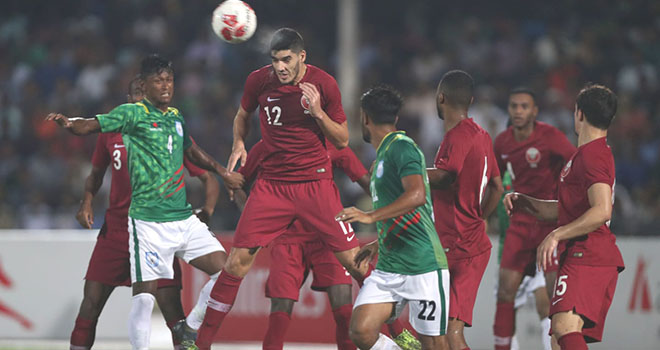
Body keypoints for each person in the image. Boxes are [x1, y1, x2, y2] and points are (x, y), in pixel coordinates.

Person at [46, 54, 245, 350]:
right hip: (134, 225)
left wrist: (220, 178)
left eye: (169, 81)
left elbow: (194, 154)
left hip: (177, 218)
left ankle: (189, 328)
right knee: (119, 301)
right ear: (137, 90)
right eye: (156, 82)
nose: (164, 87)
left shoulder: (175, 117)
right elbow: (92, 143)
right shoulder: (128, 117)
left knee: (219, 275)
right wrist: (70, 124)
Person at [192, 28, 369, 350]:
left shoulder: (324, 84)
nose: (280, 68)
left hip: (316, 189)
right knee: (236, 266)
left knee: (355, 265)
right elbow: (243, 114)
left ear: (302, 56)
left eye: (286, 60)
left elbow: (343, 140)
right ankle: (199, 343)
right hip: (273, 190)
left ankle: (400, 333)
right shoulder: (259, 82)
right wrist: (238, 142)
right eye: (275, 61)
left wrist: (317, 112)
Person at [504, 84, 624, 349]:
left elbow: (602, 209)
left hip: (588, 252)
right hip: (584, 253)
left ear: (578, 113)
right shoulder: (587, 155)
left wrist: (556, 235)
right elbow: (567, 209)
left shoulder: (592, 156)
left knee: (563, 327)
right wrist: (526, 203)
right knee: (560, 338)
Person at [337, 85, 450, 350]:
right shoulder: (380, 159)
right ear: (395, 118)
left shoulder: (403, 148)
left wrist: (369, 216)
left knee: (435, 345)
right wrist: (378, 242)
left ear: (364, 118)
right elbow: (408, 210)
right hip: (390, 265)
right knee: (361, 331)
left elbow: (417, 196)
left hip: (423, 265)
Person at [492, 88, 576, 350]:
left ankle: (558, 344)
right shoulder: (502, 142)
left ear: (534, 111)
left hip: (549, 223)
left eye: (524, 106)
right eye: (514, 106)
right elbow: (494, 182)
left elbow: (576, 162)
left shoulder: (550, 137)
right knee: (506, 291)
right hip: (520, 224)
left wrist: (568, 200)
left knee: (552, 296)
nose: (518, 111)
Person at [426, 70, 503, 350]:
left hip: (458, 246)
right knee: (439, 332)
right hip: (464, 242)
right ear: (470, 100)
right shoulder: (481, 135)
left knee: (450, 333)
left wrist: (408, 173)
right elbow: (497, 186)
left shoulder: (456, 137)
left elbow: (447, 175)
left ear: (440, 97)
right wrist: (479, 218)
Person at [494, 171, 554, 350]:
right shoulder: (499, 173)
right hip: (511, 252)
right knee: (508, 310)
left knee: (545, 307)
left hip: (537, 248)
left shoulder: (540, 168)